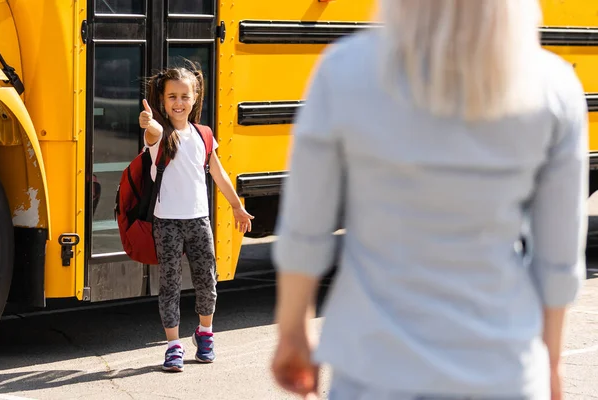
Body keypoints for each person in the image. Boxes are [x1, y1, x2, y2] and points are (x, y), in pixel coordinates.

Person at [271, 1, 588, 399]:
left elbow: (305, 230)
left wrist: (294, 332)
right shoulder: (553, 85)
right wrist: (551, 364)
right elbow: (557, 259)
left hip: (375, 372)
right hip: (504, 369)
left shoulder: (344, 71)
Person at [138, 64, 254, 372]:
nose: (178, 102)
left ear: (195, 97)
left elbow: (218, 173)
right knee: (170, 284)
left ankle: (204, 333)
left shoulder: (204, 135)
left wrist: (236, 206)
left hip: (199, 220)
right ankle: (173, 346)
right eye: (172, 96)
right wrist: (148, 123)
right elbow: (152, 132)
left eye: (184, 96)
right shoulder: (161, 134)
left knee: (207, 282)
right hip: (167, 222)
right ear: (162, 101)